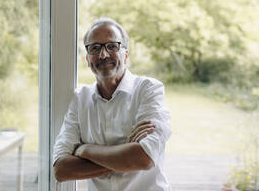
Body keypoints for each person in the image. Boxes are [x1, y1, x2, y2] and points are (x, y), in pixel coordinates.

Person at [53, 17, 172, 190]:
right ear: (87, 59)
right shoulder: (80, 99)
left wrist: (84, 150)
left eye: (112, 46)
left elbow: (144, 158)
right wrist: (125, 156)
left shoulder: (148, 90)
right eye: (95, 48)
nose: (103, 54)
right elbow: (61, 170)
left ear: (126, 54)